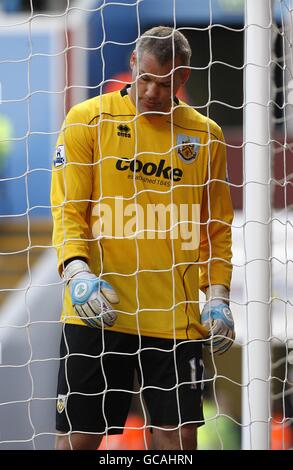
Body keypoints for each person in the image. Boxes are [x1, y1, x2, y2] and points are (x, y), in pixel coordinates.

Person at [51, 25, 235, 451]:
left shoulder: (206, 135)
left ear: (183, 78)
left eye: (165, 82)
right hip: (96, 308)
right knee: (79, 438)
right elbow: (68, 211)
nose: (151, 90)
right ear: (133, 64)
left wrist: (219, 296)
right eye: (146, 78)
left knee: (179, 439)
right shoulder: (87, 120)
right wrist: (75, 270)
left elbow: (217, 227)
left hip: (174, 315)